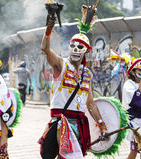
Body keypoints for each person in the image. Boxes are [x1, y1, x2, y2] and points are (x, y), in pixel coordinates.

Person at [38, 9, 107, 158]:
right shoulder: (60, 65)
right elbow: (45, 49)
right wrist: (48, 30)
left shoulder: (87, 74)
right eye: (73, 46)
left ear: (86, 51)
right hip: (61, 122)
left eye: (80, 47)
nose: (75, 49)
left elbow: (90, 104)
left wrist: (101, 125)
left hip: (79, 124)